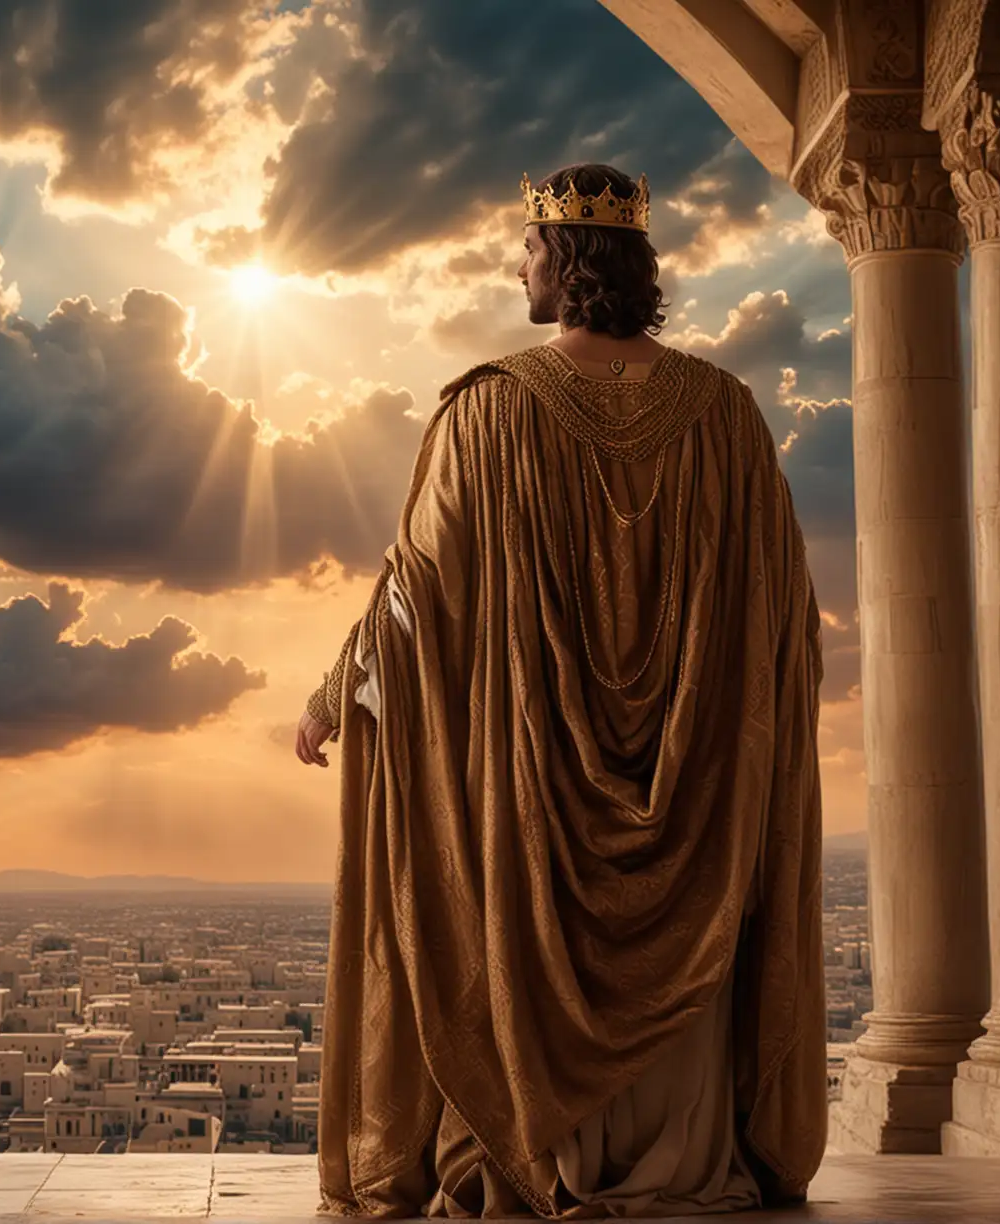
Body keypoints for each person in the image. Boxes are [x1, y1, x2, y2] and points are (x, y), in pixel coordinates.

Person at [293, 163, 825, 1218]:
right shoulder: (725, 416)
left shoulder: (489, 414)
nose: (518, 263)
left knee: (512, 950)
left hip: (532, 806)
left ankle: (526, 1157)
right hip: (694, 802)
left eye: (530, 246)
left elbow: (418, 597)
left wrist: (333, 692)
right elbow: (783, 620)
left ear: (567, 259)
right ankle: (681, 1159)